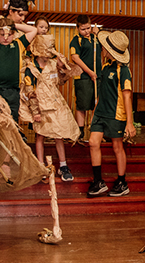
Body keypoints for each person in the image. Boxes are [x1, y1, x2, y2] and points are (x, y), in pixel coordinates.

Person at [23, 18, 79, 182]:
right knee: (40, 135)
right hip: (40, 105)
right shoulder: (31, 67)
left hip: (55, 103)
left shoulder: (54, 63)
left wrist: (63, 69)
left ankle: (63, 165)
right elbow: (29, 90)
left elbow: (61, 82)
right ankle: (41, 166)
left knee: (58, 134)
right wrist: (35, 111)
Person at [86, 30, 135, 197]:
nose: (102, 49)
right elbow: (101, 92)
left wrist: (130, 122)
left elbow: (127, 96)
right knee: (93, 142)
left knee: (117, 146)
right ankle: (98, 181)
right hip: (100, 113)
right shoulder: (105, 66)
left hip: (115, 114)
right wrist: (95, 111)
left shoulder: (123, 70)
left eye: (104, 47)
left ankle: (122, 182)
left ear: (109, 50)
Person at [0, 13, 36, 121]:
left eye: (9, 34)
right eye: (1, 34)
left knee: (11, 120)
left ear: (14, 34)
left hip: (13, 90)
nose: (5, 38)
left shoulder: (19, 44)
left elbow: (33, 30)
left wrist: (13, 25)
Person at [69, 15, 100, 143]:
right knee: (82, 105)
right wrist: (89, 72)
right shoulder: (76, 40)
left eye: (88, 28)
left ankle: (95, 129)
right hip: (83, 77)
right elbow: (75, 58)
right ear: (77, 28)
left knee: (96, 104)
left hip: (97, 76)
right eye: (83, 29)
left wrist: (99, 34)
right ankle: (80, 131)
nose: (87, 31)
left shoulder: (95, 38)